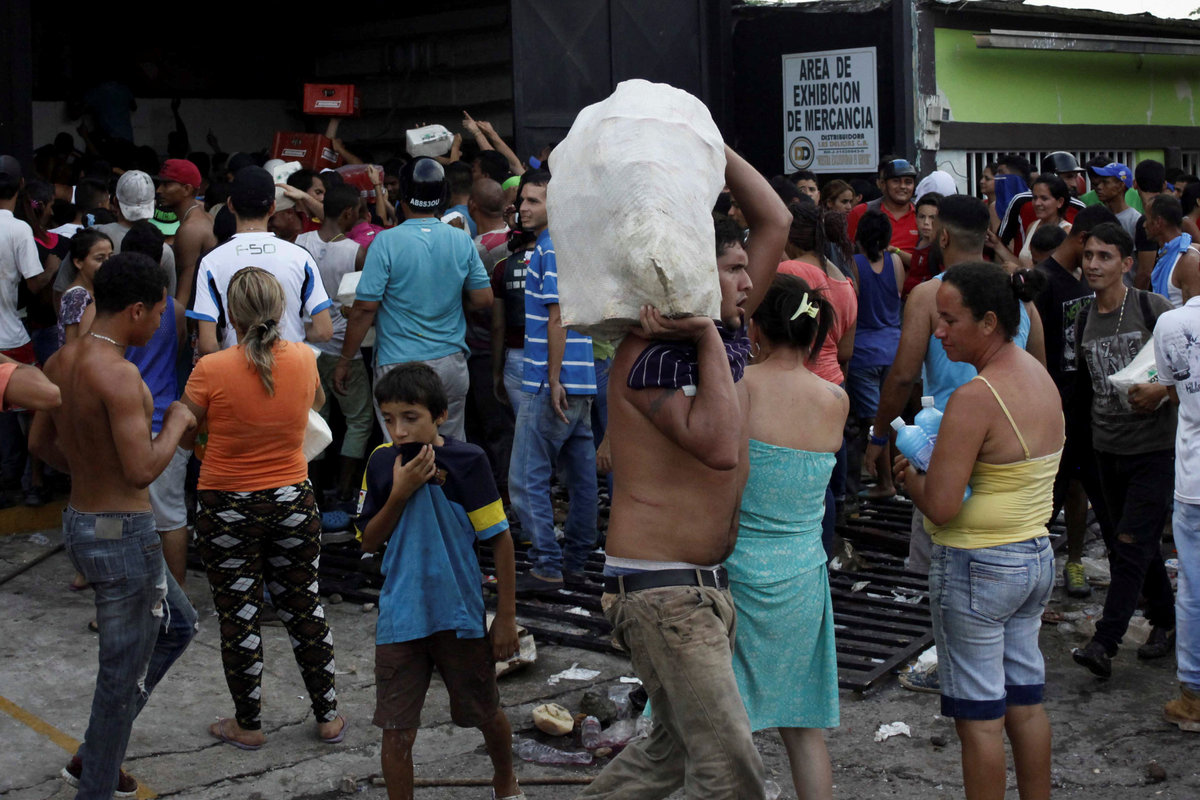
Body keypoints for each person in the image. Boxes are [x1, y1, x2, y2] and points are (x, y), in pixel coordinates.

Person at [577, 145, 790, 800]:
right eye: (731, 269)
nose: (748, 281)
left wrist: (709, 141)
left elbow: (775, 221)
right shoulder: (653, 359)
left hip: (699, 591)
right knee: (732, 775)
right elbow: (721, 446)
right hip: (666, 597)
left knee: (663, 759)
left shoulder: (722, 329)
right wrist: (700, 337)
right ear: (696, 279)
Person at [29, 252, 198, 799]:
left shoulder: (60, 362)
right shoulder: (120, 375)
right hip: (122, 532)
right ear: (136, 310)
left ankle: (93, 756)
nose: (159, 326)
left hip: (85, 521)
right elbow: (142, 468)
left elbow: (40, 445)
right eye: (158, 317)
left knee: (179, 625)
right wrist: (175, 422)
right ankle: (95, 784)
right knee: (119, 677)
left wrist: (89, 467)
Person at [894, 261, 1061, 800]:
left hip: (978, 566)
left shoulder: (974, 398)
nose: (938, 331)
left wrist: (909, 480)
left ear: (989, 322)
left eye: (949, 319)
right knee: (1024, 701)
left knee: (980, 717)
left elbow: (942, 505)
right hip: (1033, 557)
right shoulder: (1039, 376)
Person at [181, 266, 345, 749]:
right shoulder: (304, 359)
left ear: (230, 314)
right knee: (304, 607)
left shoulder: (210, 369)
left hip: (226, 505)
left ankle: (248, 725)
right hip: (293, 499)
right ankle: (329, 717)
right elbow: (313, 405)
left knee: (239, 615)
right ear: (282, 310)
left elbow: (187, 432)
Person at [865, 195, 1042, 632]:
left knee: (941, 562)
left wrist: (879, 436)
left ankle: (943, 651)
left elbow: (904, 376)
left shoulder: (930, 294)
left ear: (942, 236)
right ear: (986, 236)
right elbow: (1039, 371)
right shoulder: (1016, 292)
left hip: (940, 443)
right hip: (1011, 447)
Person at [357, 364, 521, 800]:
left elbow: (501, 541)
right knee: (396, 731)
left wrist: (505, 618)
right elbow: (369, 539)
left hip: (459, 612)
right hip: (400, 615)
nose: (399, 430)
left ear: (440, 416)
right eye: (389, 419)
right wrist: (399, 492)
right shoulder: (380, 463)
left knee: (485, 711)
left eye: (411, 417)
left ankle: (506, 782)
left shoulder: (468, 462)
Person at [729, 274, 846, 800]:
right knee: (803, 727)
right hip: (801, 573)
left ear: (757, 328)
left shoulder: (739, 388)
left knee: (726, 724)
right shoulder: (834, 400)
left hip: (735, 573)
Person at [1072, 222, 1177, 678]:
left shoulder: (1154, 310)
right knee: (1131, 543)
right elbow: (1080, 386)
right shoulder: (1080, 317)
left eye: (1105, 256)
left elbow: (1189, 373)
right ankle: (1167, 621)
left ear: (1127, 264)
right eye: (1089, 255)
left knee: (1132, 544)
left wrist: (1161, 391)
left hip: (1153, 449)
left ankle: (1105, 641)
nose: (1093, 264)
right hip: (1104, 449)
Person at [337, 157, 493, 441]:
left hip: (399, 365)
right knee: (450, 448)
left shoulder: (385, 242)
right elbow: (483, 298)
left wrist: (346, 359)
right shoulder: (460, 240)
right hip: (450, 363)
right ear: (441, 196)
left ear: (403, 197)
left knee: (401, 450)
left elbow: (363, 310)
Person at [507, 169, 598, 594]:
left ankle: (546, 564)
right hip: (581, 383)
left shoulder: (549, 250)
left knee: (527, 479)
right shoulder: (574, 247)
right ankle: (576, 562)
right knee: (582, 480)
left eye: (534, 202)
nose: (523, 208)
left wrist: (553, 377)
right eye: (522, 200)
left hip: (550, 384)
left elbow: (556, 316)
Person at [1032, 205, 1120, 599]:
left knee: (1081, 487)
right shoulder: (1045, 281)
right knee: (1049, 488)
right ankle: (1033, 561)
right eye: (1095, 253)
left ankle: (1075, 561)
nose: (1097, 263)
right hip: (1053, 405)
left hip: (1084, 405)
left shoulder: (1084, 281)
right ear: (1083, 241)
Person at [189, 166, 334, 355]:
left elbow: (208, 345)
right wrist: (293, 331)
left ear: (231, 205)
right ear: (273, 207)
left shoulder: (210, 261)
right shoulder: (300, 257)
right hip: (291, 371)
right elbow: (324, 331)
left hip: (237, 373)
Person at [295, 184, 373, 508]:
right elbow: (361, 303)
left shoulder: (300, 243)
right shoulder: (356, 251)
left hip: (310, 345)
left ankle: (314, 488)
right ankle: (343, 490)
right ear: (348, 214)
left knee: (316, 417)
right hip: (345, 348)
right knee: (359, 419)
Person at [123, 222, 191, 585]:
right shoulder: (175, 310)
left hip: (126, 422)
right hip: (165, 420)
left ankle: (134, 595)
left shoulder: (112, 310)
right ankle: (175, 596)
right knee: (170, 517)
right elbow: (179, 350)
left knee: (124, 517)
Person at [1153, 291, 1200, 730]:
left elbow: (1171, 390)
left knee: (1194, 591)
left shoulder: (1173, 324)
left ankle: (1195, 696)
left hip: (1195, 481)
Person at [846, 209, 903, 500]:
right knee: (892, 418)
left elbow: (852, 306)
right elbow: (897, 298)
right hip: (894, 348)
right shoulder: (895, 261)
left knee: (873, 420)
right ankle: (898, 474)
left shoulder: (853, 264)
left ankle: (885, 483)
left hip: (864, 352)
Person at [54, 170, 178, 300]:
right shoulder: (164, 250)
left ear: (115, 201)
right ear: (153, 205)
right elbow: (168, 302)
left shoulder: (93, 236)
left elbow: (60, 290)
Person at [155, 157, 216, 306]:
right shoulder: (205, 216)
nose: (159, 190)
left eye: (166, 184)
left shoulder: (190, 229)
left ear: (187, 189)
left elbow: (185, 293)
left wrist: (174, 326)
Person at [998, 151, 1087, 254]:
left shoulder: (1079, 207)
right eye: (1069, 177)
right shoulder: (1020, 201)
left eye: (1076, 177)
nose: (1074, 183)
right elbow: (1002, 240)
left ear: (1060, 202)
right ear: (1052, 176)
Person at [992, 175, 1073, 269]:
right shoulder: (1033, 226)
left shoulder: (1068, 232)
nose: (1037, 203)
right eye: (1034, 198)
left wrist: (1018, 270)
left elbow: (1057, 274)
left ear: (1060, 202)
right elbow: (1026, 265)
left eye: (1044, 198)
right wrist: (996, 245)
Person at [847, 157, 919, 258]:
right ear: (883, 184)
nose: (903, 186)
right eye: (896, 181)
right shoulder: (861, 212)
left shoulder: (922, 215)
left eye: (908, 182)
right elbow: (846, 253)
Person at [57, 229, 113, 345]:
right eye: (99, 259)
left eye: (110, 257)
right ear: (79, 262)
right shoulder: (77, 296)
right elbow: (72, 344)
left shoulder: (96, 290)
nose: (107, 263)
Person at [1144, 192, 1200, 308]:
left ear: (1158, 222)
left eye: (1147, 218)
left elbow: (1193, 317)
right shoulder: (1167, 255)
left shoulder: (1188, 261)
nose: (1144, 225)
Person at [903, 192, 942, 298]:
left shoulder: (941, 248)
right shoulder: (920, 240)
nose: (926, 222)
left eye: (932, 217)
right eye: (922, 217)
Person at [1091, 163, 1142, 241]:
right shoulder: (1097, 215)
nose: (1099, 187)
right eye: (1099, 182)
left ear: (1121, 186)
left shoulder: (1134, 220)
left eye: (1105, 182)